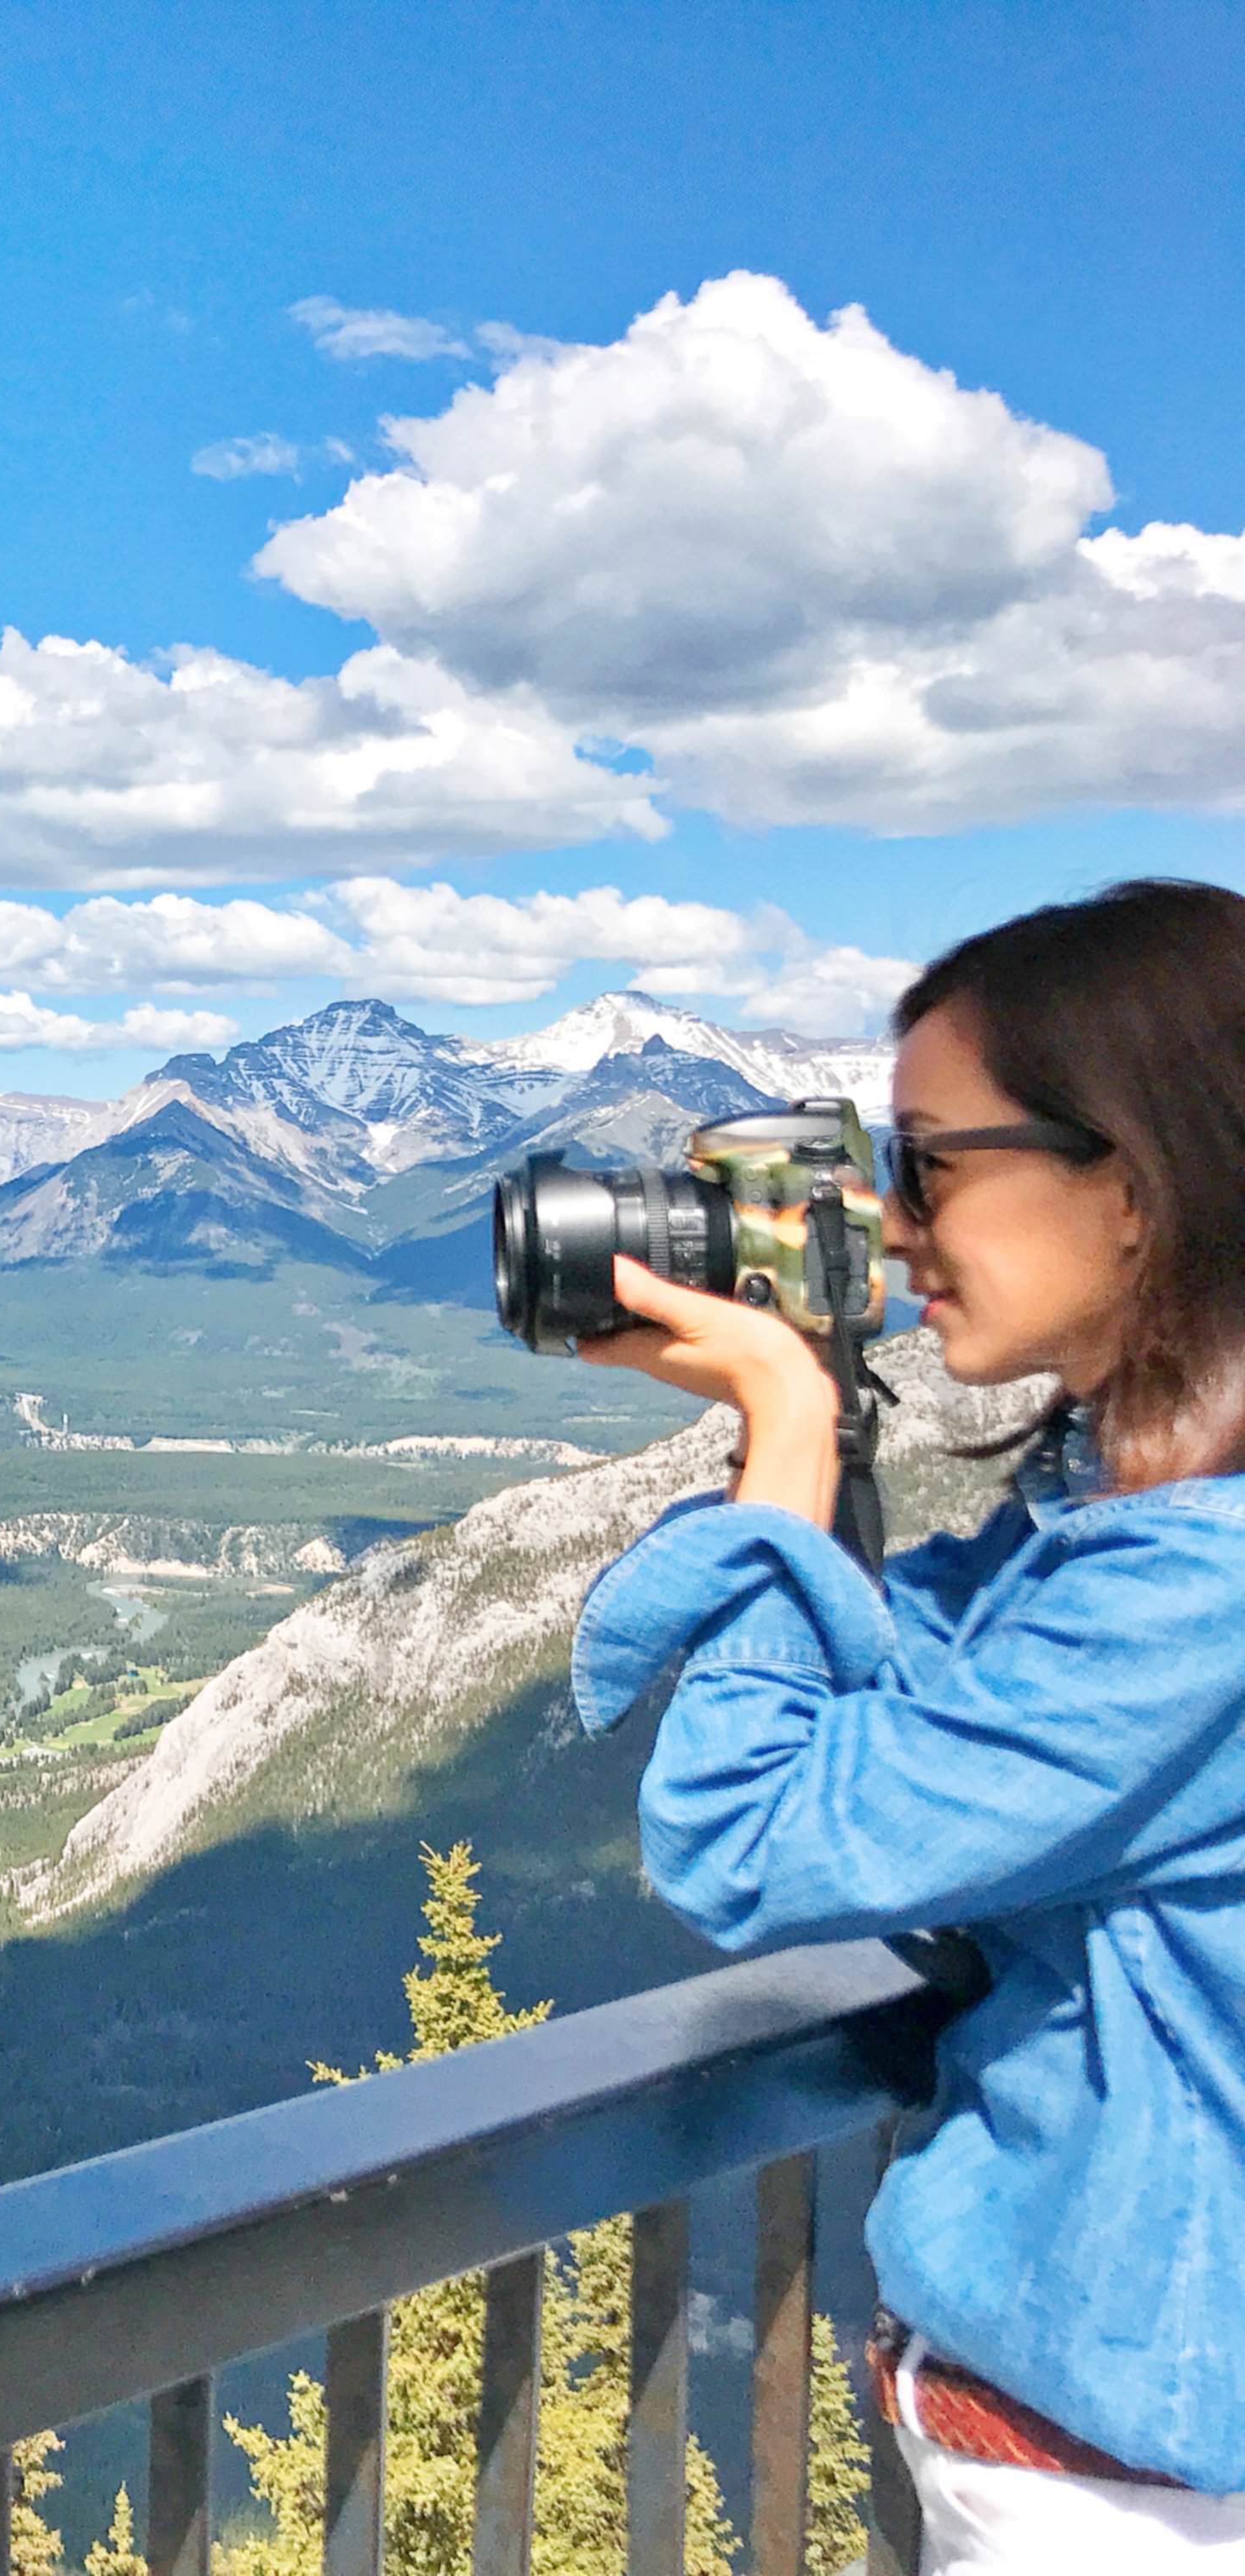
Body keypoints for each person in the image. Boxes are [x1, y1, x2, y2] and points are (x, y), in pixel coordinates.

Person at [570, 877, 1245, 2571]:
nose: (893, 1217)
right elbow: (904, 1678)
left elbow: (747, 1841)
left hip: (1136, 2506)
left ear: (1137, 1184)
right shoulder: (1117, 1529)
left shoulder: (1197, 1594)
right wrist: (797, 1427)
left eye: (930, 1162)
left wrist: (790, 1422)